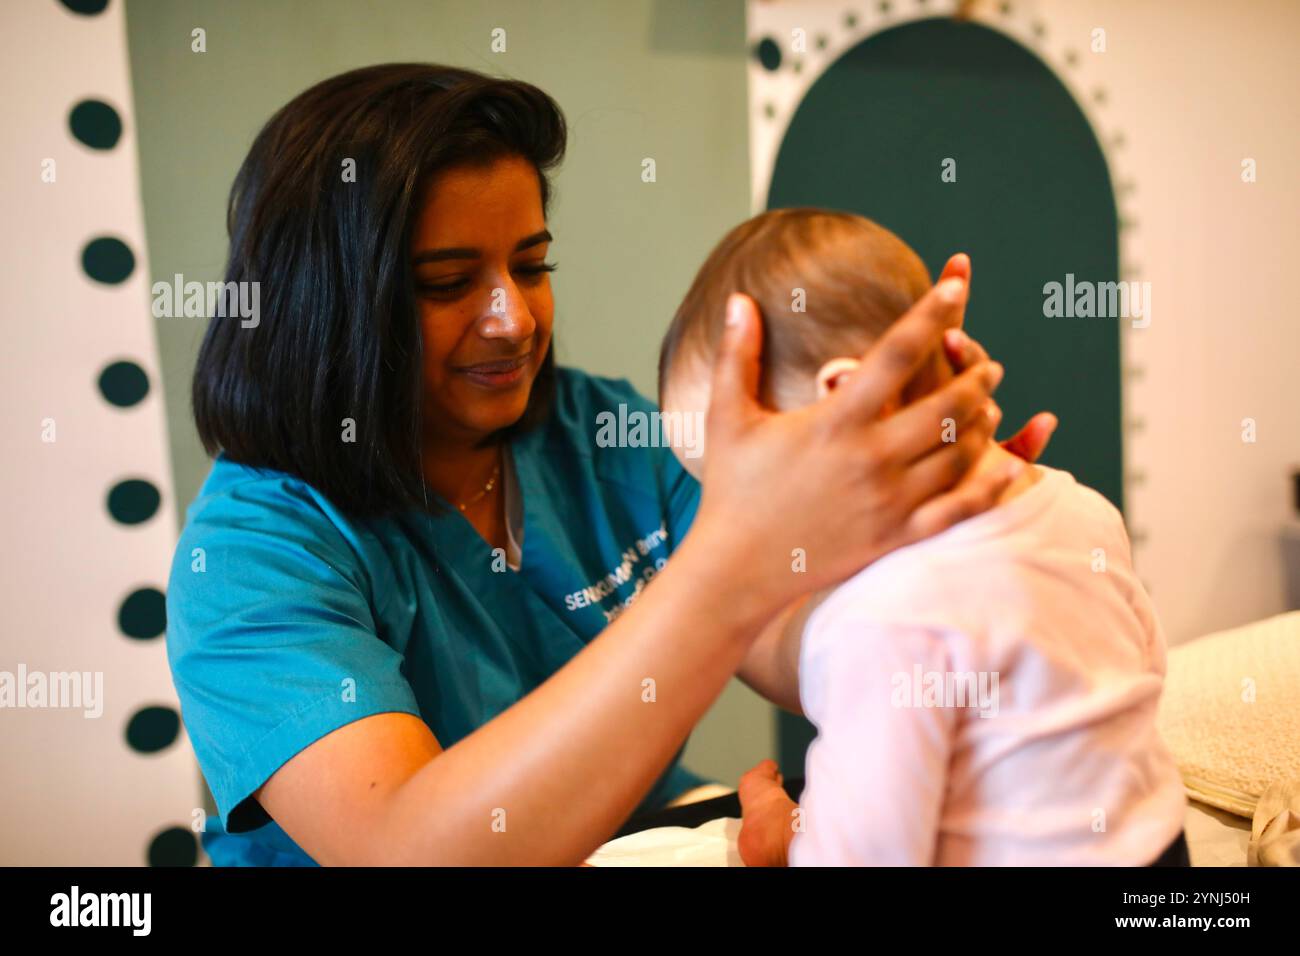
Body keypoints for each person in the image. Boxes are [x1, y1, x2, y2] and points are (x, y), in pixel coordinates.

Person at [165, 64, 1053, 866]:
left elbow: (795, 643)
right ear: (323, 304)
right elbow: (412, 848)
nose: (512, 319)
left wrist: (940, 531)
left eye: (532, 264)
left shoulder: (601, 432)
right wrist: (740, 554)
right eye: (447, 283)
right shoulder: (254, 556)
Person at [657, 208, 1185, 866]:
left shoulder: (879, 617)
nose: (744, 521)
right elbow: (1140, 687)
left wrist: (778, 835)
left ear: (847, 397)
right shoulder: (1080, 508)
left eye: (741, 483)